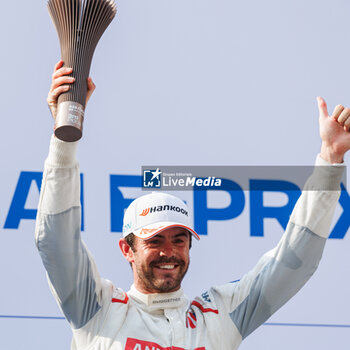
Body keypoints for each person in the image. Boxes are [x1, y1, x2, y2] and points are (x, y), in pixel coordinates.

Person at [36, 60, 350, 350]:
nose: (168, 252)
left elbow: (293, 263)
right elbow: (56, 241)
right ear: (127, 249)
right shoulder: (97, 309)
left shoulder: (216, 316)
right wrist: (64, 139)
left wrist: (330, 159)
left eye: (179, 239)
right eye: (155, 240)